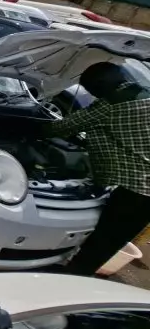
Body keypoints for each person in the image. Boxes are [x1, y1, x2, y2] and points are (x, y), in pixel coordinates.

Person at [46, 61, 150, 275]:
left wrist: (29, 127)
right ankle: (78, 271)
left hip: (136, 192)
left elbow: (62, 127)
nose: (92, 94)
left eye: (91, 89)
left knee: (104, 239)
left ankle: (71, 278)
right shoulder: (145, 94)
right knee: (113, 241)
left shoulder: (110, 104)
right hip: (143, 192)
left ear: (102, 83)